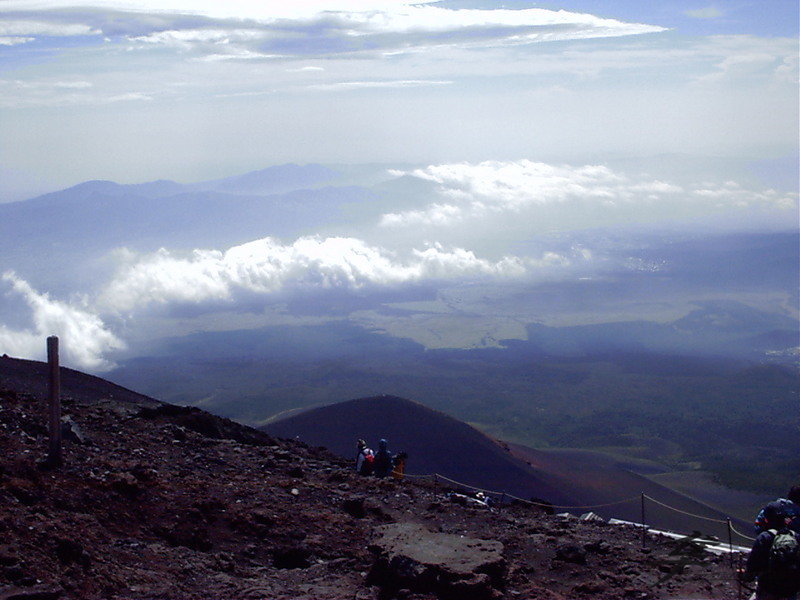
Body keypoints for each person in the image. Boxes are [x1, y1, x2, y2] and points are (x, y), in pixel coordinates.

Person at [740, 501, 800, 600]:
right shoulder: (796, 537)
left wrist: (746, 576)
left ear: (767, 518)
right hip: (791, 590)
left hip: (768, 589)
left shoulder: (765, 537)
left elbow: (753, 565)